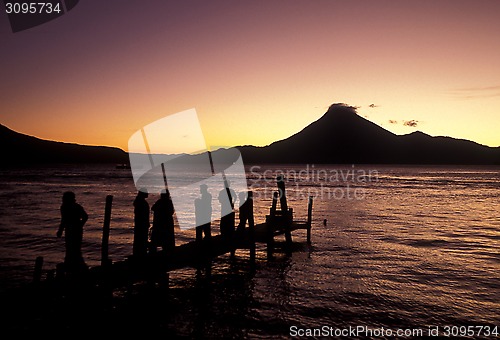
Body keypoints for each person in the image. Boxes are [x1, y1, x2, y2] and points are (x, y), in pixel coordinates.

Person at [57, 191, 88, 271]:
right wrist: (60, 230)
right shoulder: (65, 207)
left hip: (75, 229)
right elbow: (64, 220)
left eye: (64, 198)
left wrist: (80, 225)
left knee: (74, 248)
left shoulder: (75, 207)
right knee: (71, 248)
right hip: (70, 229)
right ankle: (72, 266)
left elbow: (85, 216)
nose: (62, 199)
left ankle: (77, 267)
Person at [133, 189, 150, 257]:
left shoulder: (140, 202)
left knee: (139, 238)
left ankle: (139, 253)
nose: (148, 193)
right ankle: (140, 254)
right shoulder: (142, 203)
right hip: (142, 224)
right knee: (141, 239)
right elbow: (142, 215)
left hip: (140, 223)